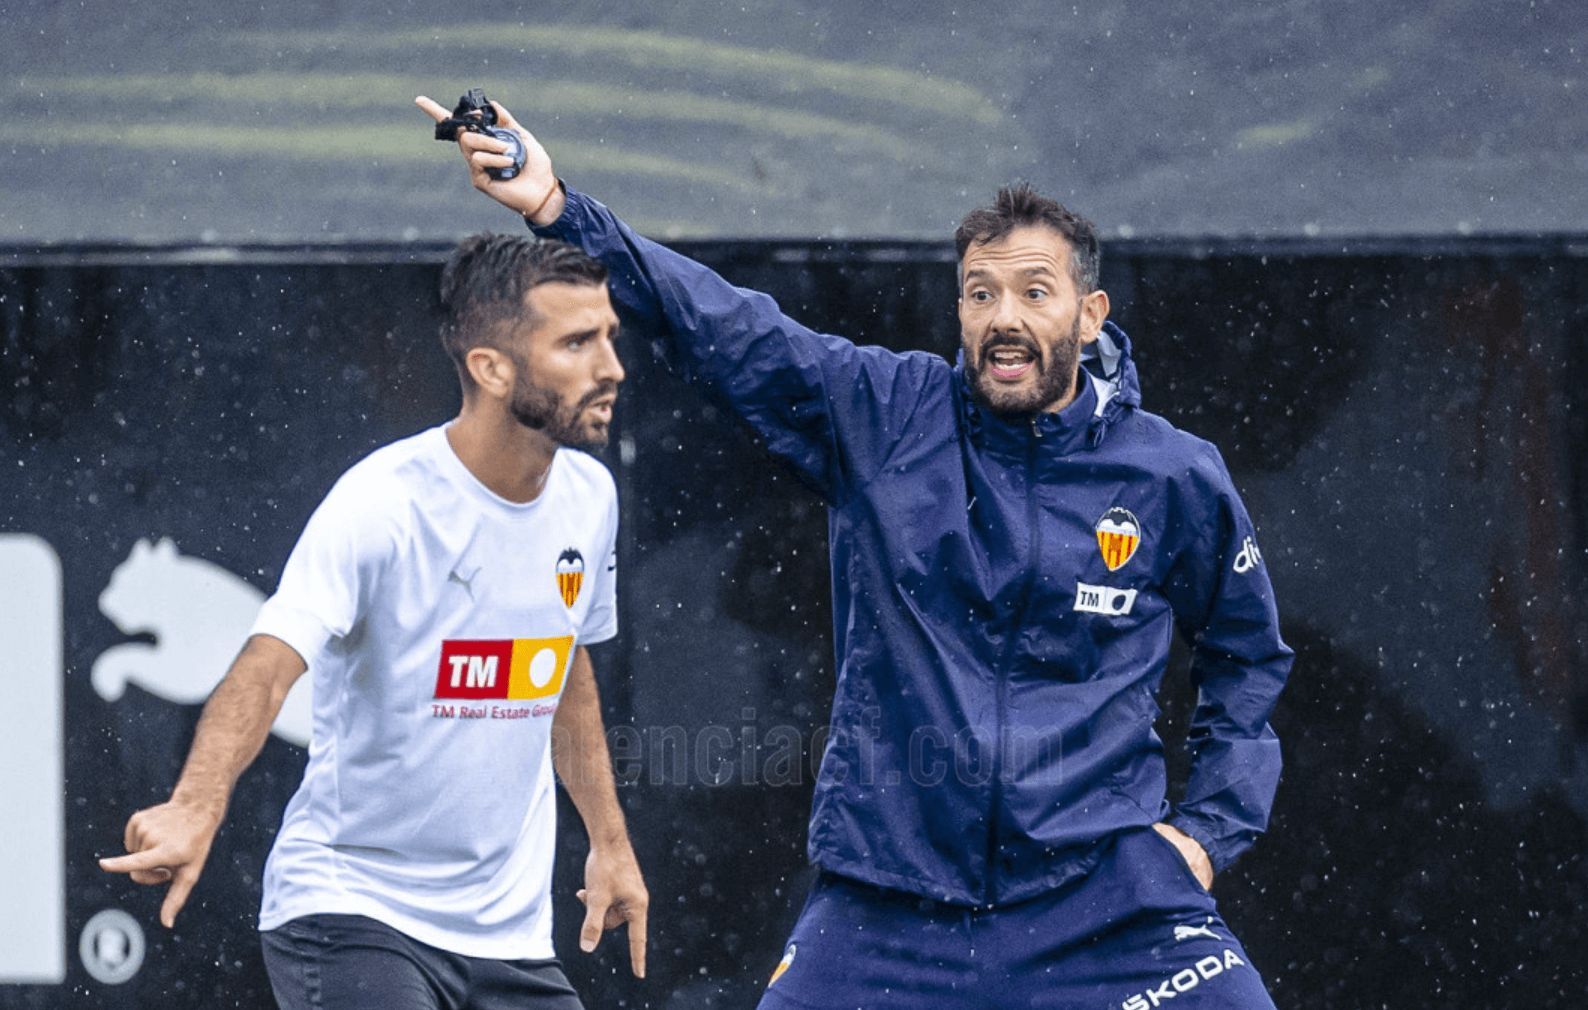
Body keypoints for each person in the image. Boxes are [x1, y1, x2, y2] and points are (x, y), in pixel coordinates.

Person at [418, 95, 1293, 1009]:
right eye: (982, 292)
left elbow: (1247, 661)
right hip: (888, 906)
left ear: (1088, 312)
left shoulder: (1173, 475)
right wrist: (559, 206)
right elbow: (724, 328)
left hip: (1107, 904)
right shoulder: (888, 413)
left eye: (1036, 293)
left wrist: (1204, 835)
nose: (1005, 317)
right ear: (958, 307)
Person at [99, 234, 648, 1010]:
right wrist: (195, 806)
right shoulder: (383, 503)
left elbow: (565, 672)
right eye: (576, 343)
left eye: (609, 338)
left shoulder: (591, 499)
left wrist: (610, 843)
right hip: (351, 912)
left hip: (509, 937)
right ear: (491, 369)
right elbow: (267, 664)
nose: (610, 368)